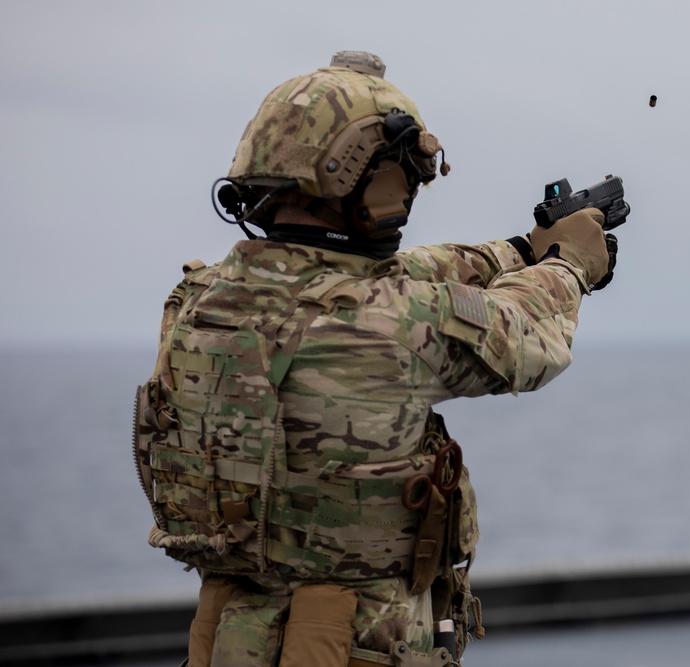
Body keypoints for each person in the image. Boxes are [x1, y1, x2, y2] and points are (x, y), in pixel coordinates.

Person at [132, 51, 617, 667]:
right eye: (405, 177)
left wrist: (521, 248)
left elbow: (379, 278)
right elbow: (524, 336)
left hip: (232, 644)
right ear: (374, 182)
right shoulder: (388, 323)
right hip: (352, 648)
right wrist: (570, 264)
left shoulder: (197, 301)